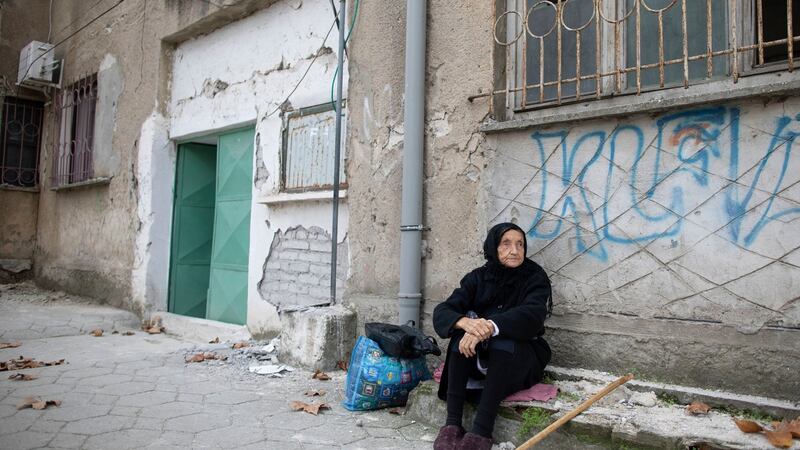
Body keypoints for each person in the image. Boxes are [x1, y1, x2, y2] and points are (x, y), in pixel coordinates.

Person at [432, 222, 552, 450]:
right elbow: (443, 310)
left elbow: (533, 314)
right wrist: (466, 323)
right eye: (506, 244)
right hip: (481, 358)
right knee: (460, 339)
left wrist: (490, 326)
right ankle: (452, 425)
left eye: (520, 244)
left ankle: (481, 431)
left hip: (520, 357)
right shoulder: (478, 278)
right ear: (493, 247)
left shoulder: (535, 277)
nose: (514, 250)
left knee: (501, 341)